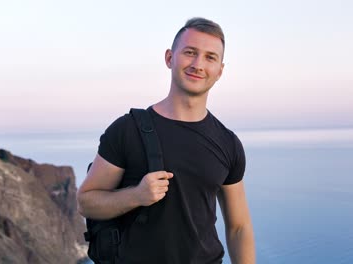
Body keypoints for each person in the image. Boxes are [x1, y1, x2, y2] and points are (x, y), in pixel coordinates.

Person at [77, 17, 255, 264]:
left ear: (220, 71)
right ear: (170, 58)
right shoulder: (127, 130)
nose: (198, 64)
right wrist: (136, 196)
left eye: (210, 57)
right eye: (190, 52)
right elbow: (86, 202)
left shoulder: (228, 143)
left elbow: (239, 227)